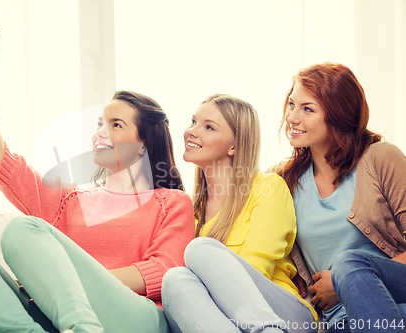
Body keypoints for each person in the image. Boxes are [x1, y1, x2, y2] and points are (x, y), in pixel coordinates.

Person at [0, 31, 195, 333]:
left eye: (116, 125)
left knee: (23, 230)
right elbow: (2, 162)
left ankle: (82, 327)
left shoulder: (170, 202)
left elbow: (164, 271)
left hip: (136, 318)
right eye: (100, 124)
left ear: (143, 143)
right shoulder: (68, 199)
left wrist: (61, 280)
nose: (101, 133)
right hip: (56, 314)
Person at [161, 94, 317, 333]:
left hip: (285, 313)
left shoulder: (267, 187)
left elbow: (256, 269)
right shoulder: (191, 212)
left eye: (209, 127)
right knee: (175, 280)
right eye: (193, 121)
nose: (191, 131)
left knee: (199, 249)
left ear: (234, 145)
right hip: (226, 321)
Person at [277, 62, 406, 333]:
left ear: (338, 115)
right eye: (291, 104)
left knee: (348, 262)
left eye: (307, 109)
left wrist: (341, 281)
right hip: (343, 322)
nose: (292, 117)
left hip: (397, 299)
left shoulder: (380, 158)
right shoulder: (284, 181)